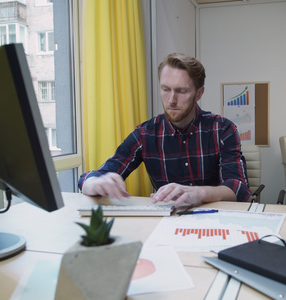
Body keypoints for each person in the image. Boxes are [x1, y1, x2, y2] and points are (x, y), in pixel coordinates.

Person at [79, 53, 251, 206]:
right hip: (167, 223)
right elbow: (93, 177)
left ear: (199, 94)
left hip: (215, 220)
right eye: (165, 89)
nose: (171, 100)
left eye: (182, 91)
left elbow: (239, 188)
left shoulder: (222, 129)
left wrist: (200, 193)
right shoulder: (145, 134)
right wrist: (95, 183)